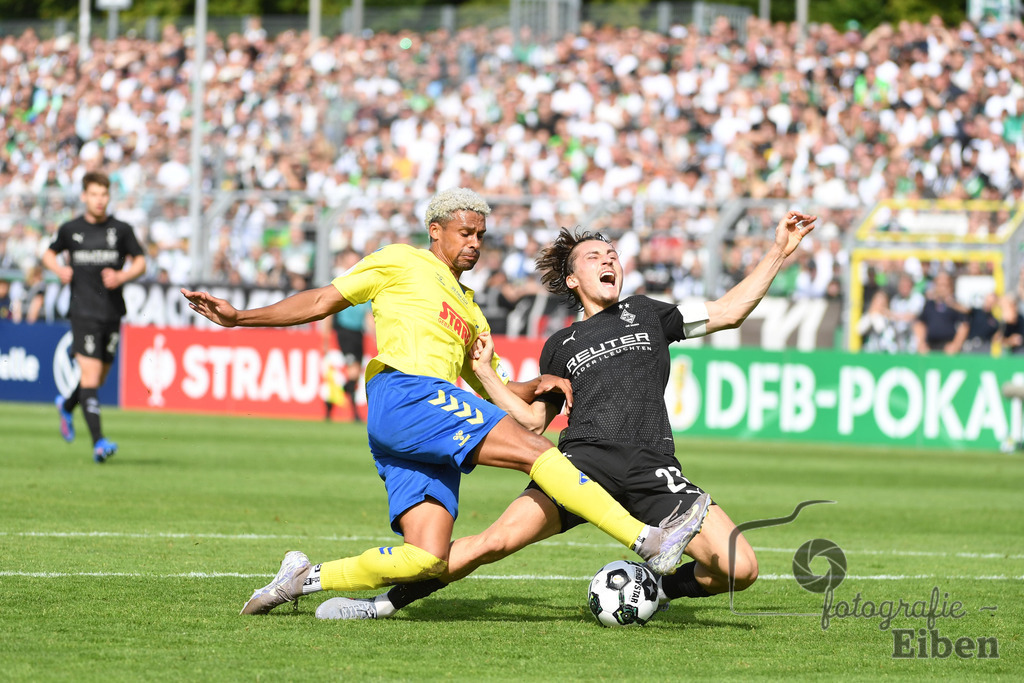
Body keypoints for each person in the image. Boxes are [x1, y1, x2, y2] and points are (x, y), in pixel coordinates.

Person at [181, 187, 708, 616]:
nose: (475, 243)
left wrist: (536, 384)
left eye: (481, 234)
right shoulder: (399, 262)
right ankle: (646, 540)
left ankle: (302, 579)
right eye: (465, 232)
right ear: (435, 231)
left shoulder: (472, 312)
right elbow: (322, 300)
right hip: (406, 392)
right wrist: (241, 317)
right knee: (536, 452)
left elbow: (493, 385)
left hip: (425, 420)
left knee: (426, 558)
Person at [315, 209, 817, 621]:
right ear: (574, 278)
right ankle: (379, 605)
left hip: (651, 469)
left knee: (740, 568)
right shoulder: (561, 346)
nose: (609, 260)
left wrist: (778, 251)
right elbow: (533, 423)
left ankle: (658, 591)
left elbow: (729, 311)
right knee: (491, 543)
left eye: (613, 255)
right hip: (580, 467)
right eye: (595, 256)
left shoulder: (648, 312)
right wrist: (487, 376)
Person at [42, 172, 147, 463]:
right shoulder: (70, 229)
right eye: (94, 194)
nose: (100, 200)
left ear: (108, 196)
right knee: (89, 376)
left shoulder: (121, 230)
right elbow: (48, 255)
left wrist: (123, 274)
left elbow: (141, 261)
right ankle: (99, 443)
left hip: (111, 313)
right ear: (84, 196)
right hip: (82, 312)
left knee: (97, 379)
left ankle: (66, 404)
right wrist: (59, 270)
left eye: (104, 194)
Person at [321, 248, 371, 422]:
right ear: (343, 262)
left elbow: (368, 314)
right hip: (345, 332)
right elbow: (327, 312)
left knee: (355, 375)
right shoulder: (338, 283)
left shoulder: (365, 284)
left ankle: (330, 402)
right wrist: (325, 337)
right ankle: (355, 414)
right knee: (352, 372)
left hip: (358, 333)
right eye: (351, 260)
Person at [913, 271, 967, 354]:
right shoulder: (929, 304)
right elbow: (920, 323)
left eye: (945, 285)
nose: (942, 288)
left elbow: (964, 325)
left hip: (948, 347)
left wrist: (956, 345)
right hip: (930, 347)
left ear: (951, 287)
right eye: (939, 285)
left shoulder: (955, 305)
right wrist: (921, 343)